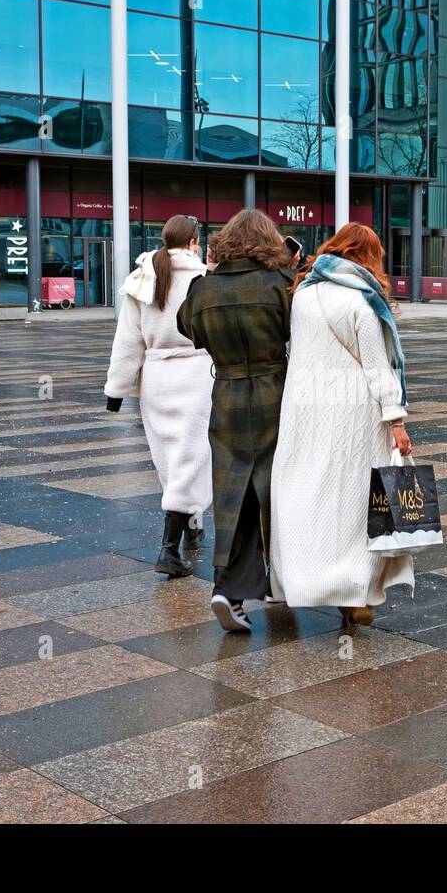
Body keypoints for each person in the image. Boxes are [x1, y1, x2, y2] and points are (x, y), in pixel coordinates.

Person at [270, 223, 415, 627]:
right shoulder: (360, 302)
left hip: (305, 408)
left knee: (306, 490)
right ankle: (355, 594)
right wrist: (397, 420)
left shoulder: (302, 294)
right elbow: (377, 368)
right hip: (354, 413)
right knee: (355, 498)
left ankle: (301, 580)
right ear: (365, 257)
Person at [176, 209, 294, 632]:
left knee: (233, 495)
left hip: (226, 395)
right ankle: (287, 579)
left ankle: (228, 588)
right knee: (281, 491)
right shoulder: (280, 284)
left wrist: (207, 276)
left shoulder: (203, 290)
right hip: (276, 393)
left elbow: (189, 329)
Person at [104, 214, 212, 578]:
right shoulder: (204, 279)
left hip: (155, 379)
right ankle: (169, 549)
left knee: (169, 459)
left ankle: (192, 522)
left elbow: (128, 339)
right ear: (194, 241)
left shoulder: (141, 279)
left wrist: (116, 390)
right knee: (192, 457)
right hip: (198, 376)